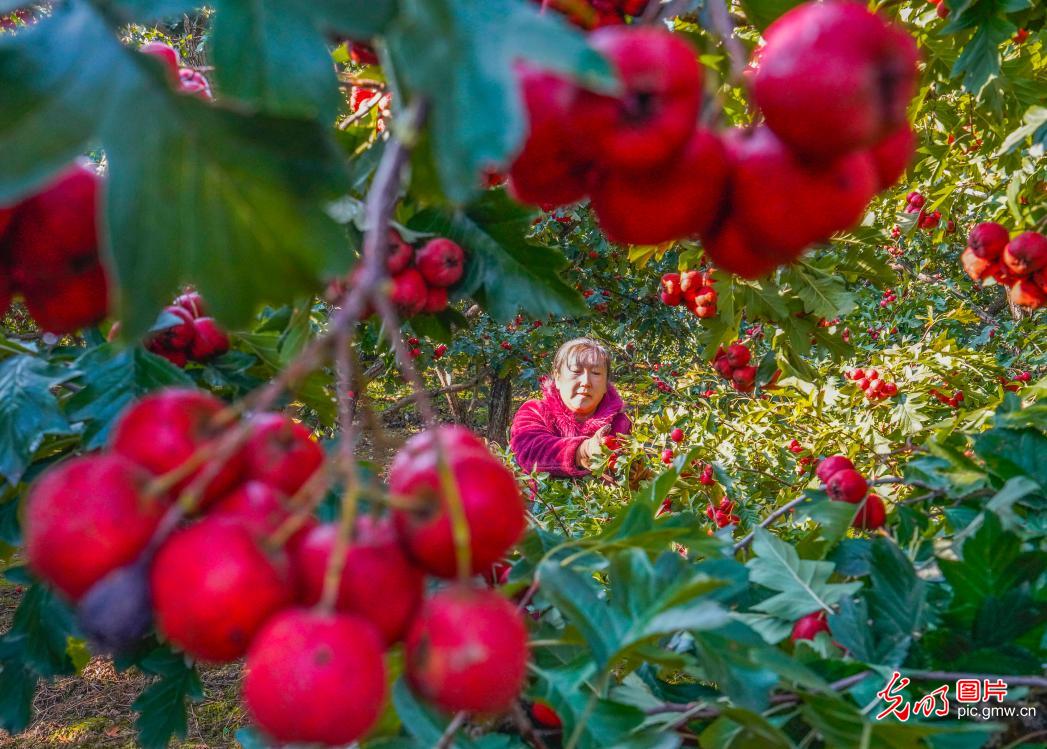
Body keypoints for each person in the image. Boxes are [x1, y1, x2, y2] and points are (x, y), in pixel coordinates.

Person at [509, 337, 631, 478]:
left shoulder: (620, 424)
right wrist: (582, 451)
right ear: (558, 377)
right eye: (576, 371)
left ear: (605, 384)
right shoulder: (535, 411)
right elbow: (529, 451)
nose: (585, 382)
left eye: (596, 373)